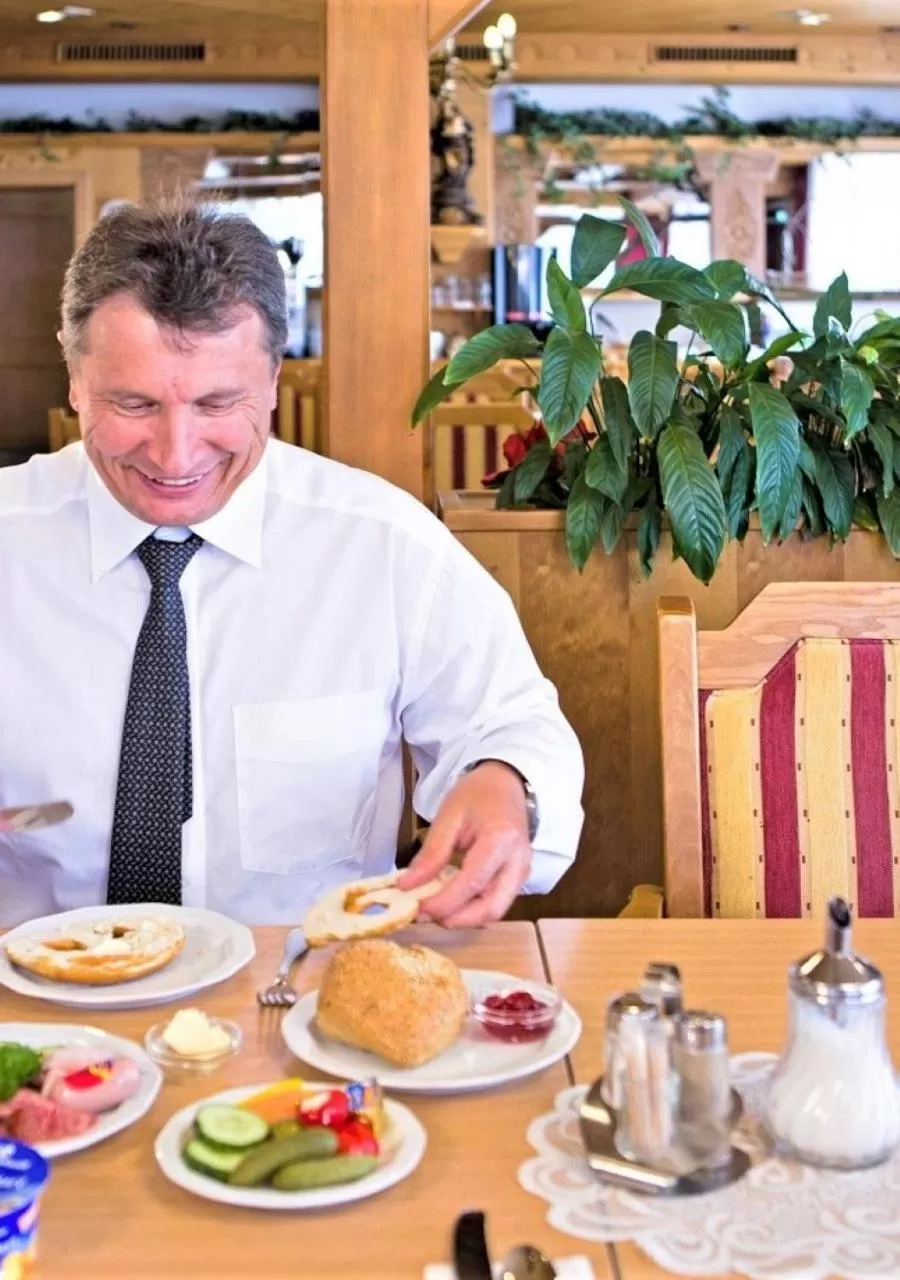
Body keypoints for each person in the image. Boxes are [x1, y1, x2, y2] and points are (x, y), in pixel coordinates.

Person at [0, 198, 584, 929]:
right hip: (30, 980)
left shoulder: (383, 545)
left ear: (275, 378)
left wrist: (505, 786)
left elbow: (512, 720)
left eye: (218, 403)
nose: (176, 455)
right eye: (134, 404)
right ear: (74, 377)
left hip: (305, 979)